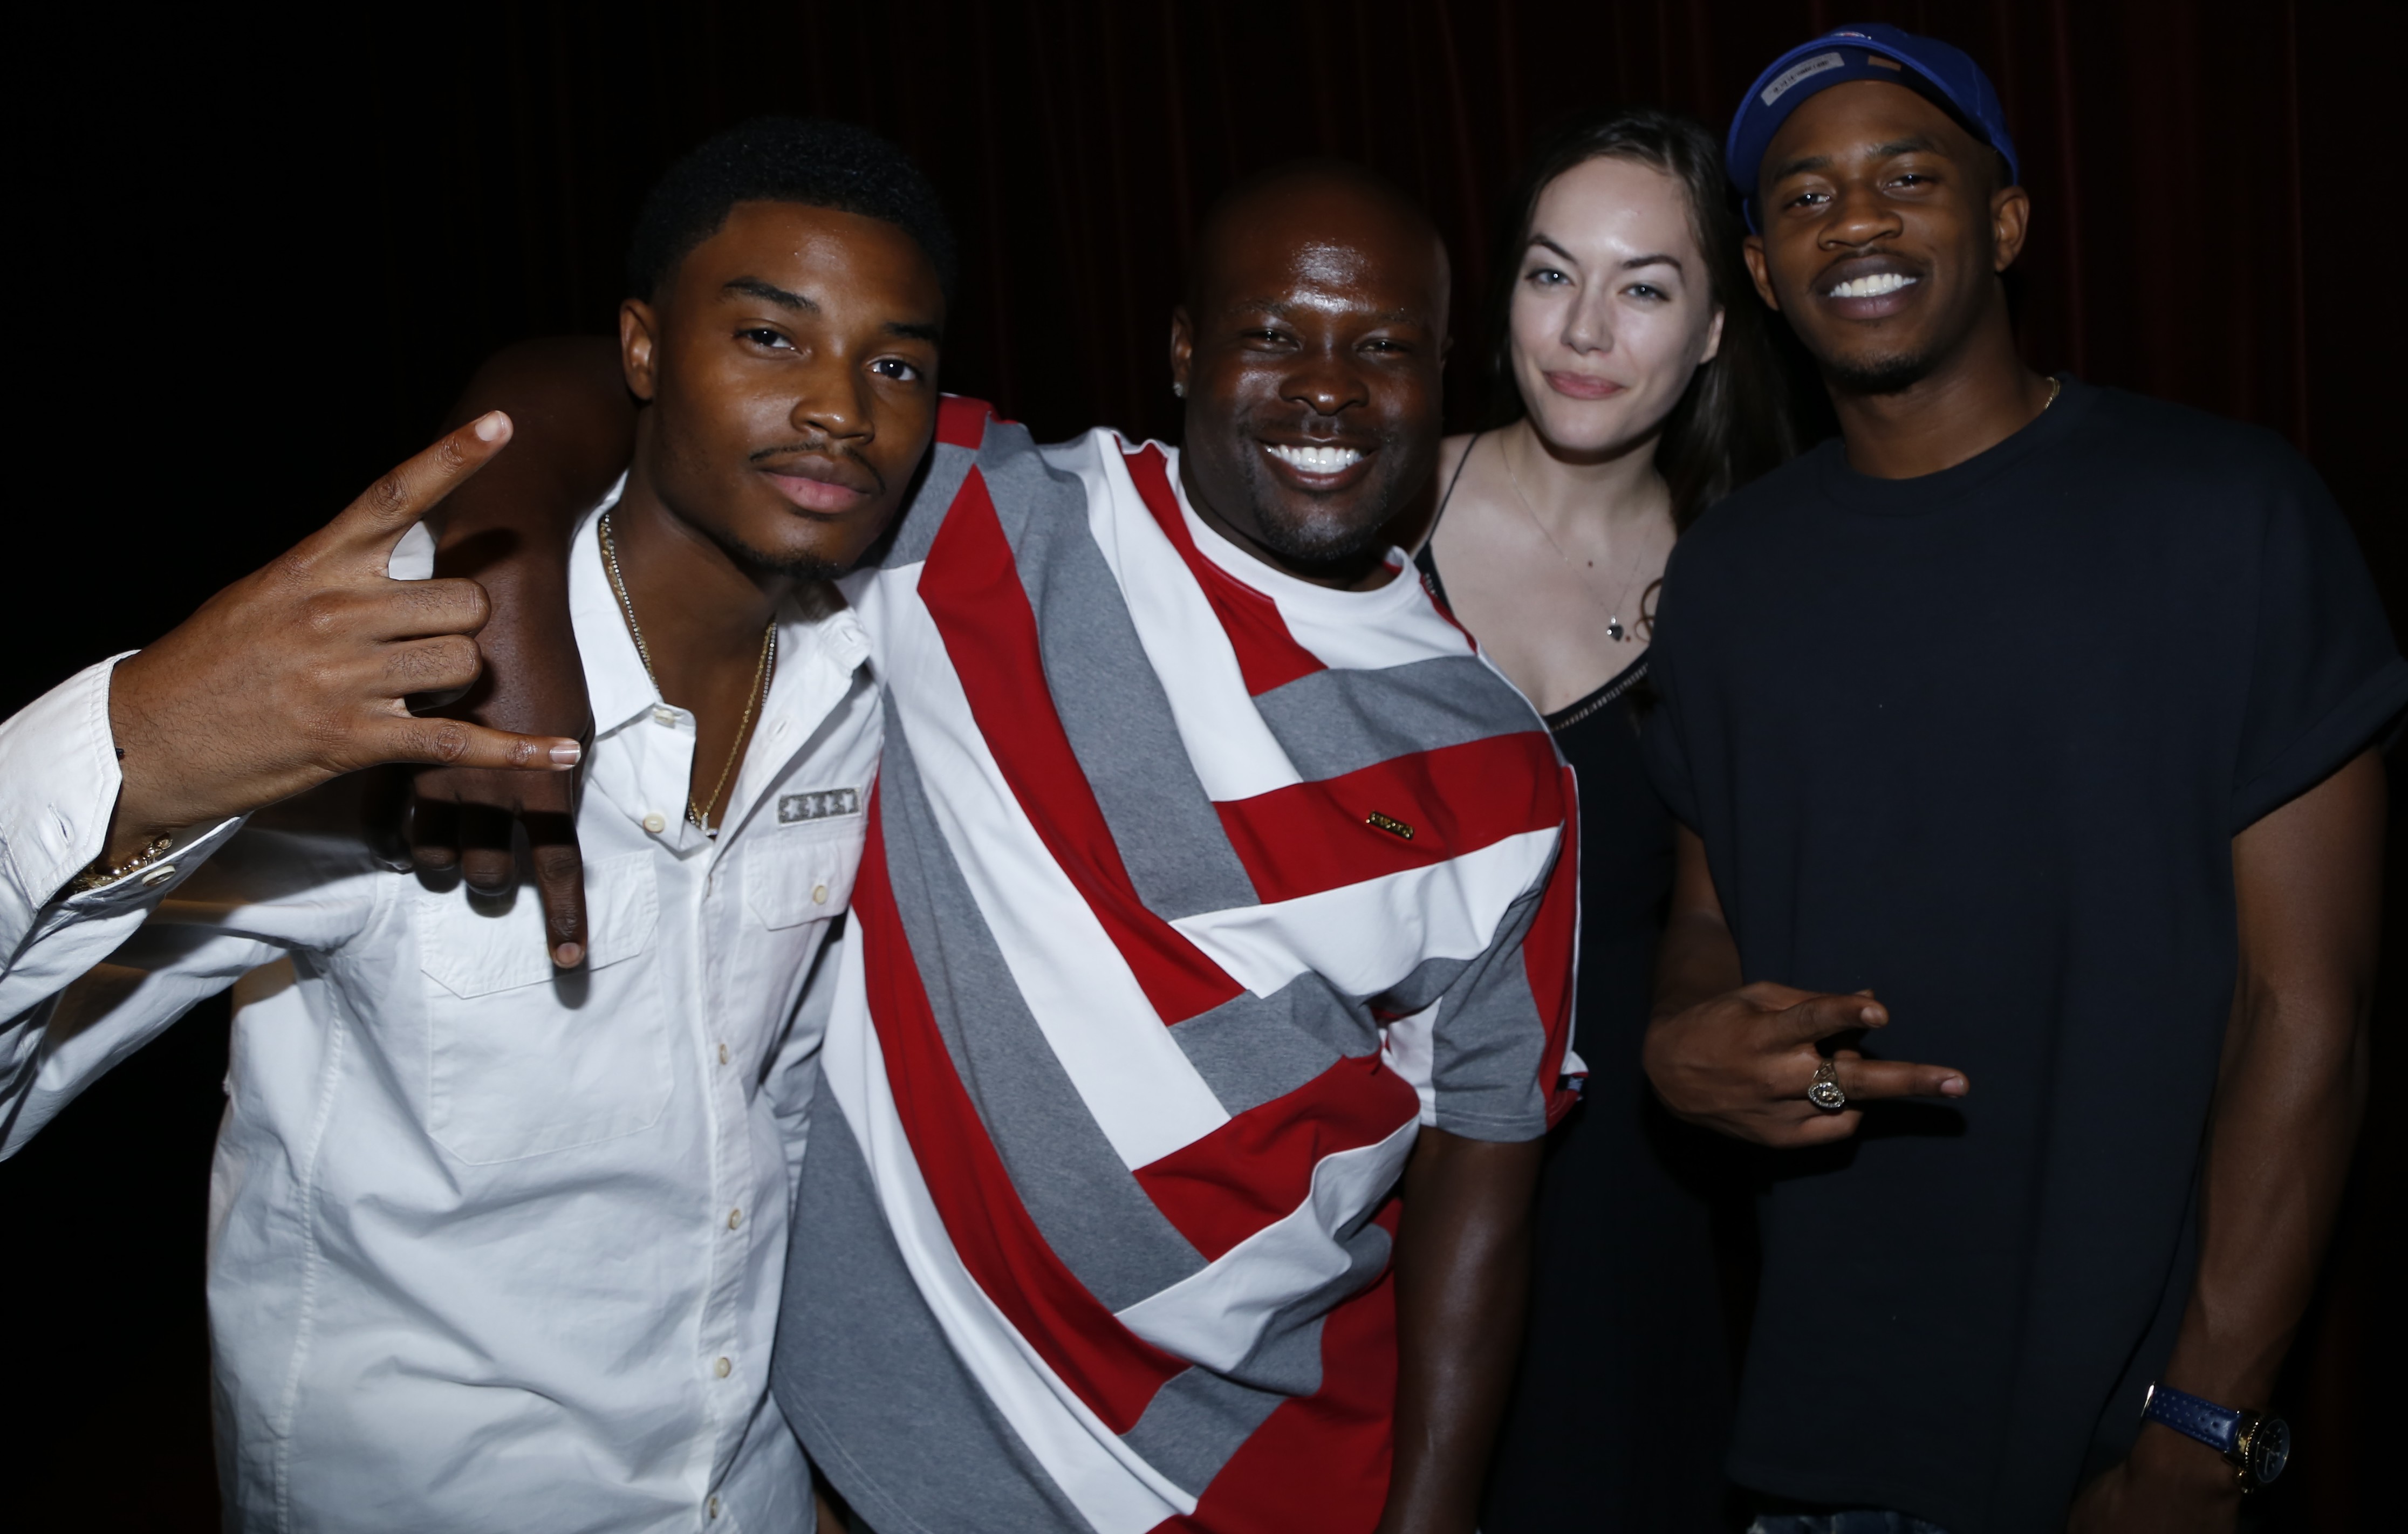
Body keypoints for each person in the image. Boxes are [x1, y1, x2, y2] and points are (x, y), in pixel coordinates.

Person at [421, 160, 1582, 1534]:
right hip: (869, 1450)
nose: (1327, 387)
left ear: (1443, 375)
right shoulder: (980, 515)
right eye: (1273, 333)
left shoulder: (1502, 772)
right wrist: (500, 574)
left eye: (1382, 347)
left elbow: (1479, 1183)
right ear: (1183, 350)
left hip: (1253, 1475)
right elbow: (632, 382)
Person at [0, 114, 954, 1533]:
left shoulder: (866, 677)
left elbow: (782, 1107)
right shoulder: (398, 681)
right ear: (641, 351)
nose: (839, 408)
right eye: (770, 336)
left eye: (895, 364)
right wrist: (144, 742)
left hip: (736, 1488)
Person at [1638, 24, 2408, 1533]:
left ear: (2004, 223)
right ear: (1759, 272)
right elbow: (1710, 915)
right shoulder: (1730, 575)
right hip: (1823, 1450)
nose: (1852, 221)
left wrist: (2200, 1433)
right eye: (1803, 197)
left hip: (2126, 1449)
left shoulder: (2227, 513)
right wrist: (1682, 1035)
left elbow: (2307, 1014)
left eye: (1906, 177)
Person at [1410, 108, 1788, 1533]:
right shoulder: (1369, 516)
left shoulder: (1748, 587)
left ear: (1713, 330)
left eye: (1643, 288)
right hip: (1356, 1178)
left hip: (1622, 1205)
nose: (1581, 329)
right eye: (1550, 273)